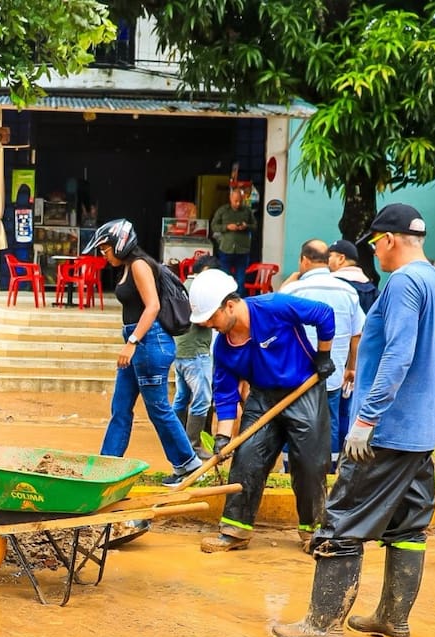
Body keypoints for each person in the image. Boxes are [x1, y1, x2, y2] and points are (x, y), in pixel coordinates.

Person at [271, 203, 435, 637]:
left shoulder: (405, 282)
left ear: (389, 239)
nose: (374, 252)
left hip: (385, 431)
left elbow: (399, 354)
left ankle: (322, 623)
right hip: (420, 433)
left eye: (375, 244)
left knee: (342, 519)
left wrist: (367, 417)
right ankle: (392, 618)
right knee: (409, 526)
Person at [187, 268, 336, 554]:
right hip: (262, 397)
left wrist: (324, 355)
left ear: (230, 305)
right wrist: (223, 437)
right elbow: (226, 394)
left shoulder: (274, 307)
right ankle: (235, 530)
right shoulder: (223, 348)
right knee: (247, 457)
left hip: (303, 389)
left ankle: (314, 530)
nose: (208, 324)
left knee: (309, 463)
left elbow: (324, 314)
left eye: (212, 317)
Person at [83, 218, 203, 488]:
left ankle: (188, 465)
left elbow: (153, 306)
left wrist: (133, 341)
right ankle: (107, 466)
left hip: (149, 343)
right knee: (120, 407)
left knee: (158, 408)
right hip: (139, 343)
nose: (103, 254)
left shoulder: (139, 264)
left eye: (105, 248)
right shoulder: (129, 266)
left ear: (120, 243)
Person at [284, 239, 365, 471]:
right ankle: (328, 472)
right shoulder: (348, 291)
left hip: (295, 376)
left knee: (293, 422)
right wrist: (351, 367)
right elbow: (357, 334)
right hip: (333, 373)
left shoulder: (293, 290)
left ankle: (291, 470)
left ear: (304, 260)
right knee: (330, 422)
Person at [173, 254, 220, 459]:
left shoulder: (183, 285)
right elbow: (201, 319)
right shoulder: (201, 289)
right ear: (207, 271)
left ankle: (176, 441)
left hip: (180, 350)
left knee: (181, 397)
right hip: (196, 352)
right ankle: (193, 445)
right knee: (202, 399)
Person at [210, 187, 256, 294]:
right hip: (226, 249)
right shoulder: (223, 210)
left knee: (241, 280)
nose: (238, 203)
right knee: (225, 278)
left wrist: (246, 226)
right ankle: (225, 298)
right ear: (230, 198)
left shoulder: (247, 211)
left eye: (240, 201)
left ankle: (239, 300)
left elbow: (255, 226)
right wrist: (227, 227)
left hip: (242, 250)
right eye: (236, 201)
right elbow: (213, 226)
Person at [327, 238, 379, 314]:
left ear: (341, 259)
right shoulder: (372, 290)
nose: (326, 260)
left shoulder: (332, 285)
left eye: (329, 256)